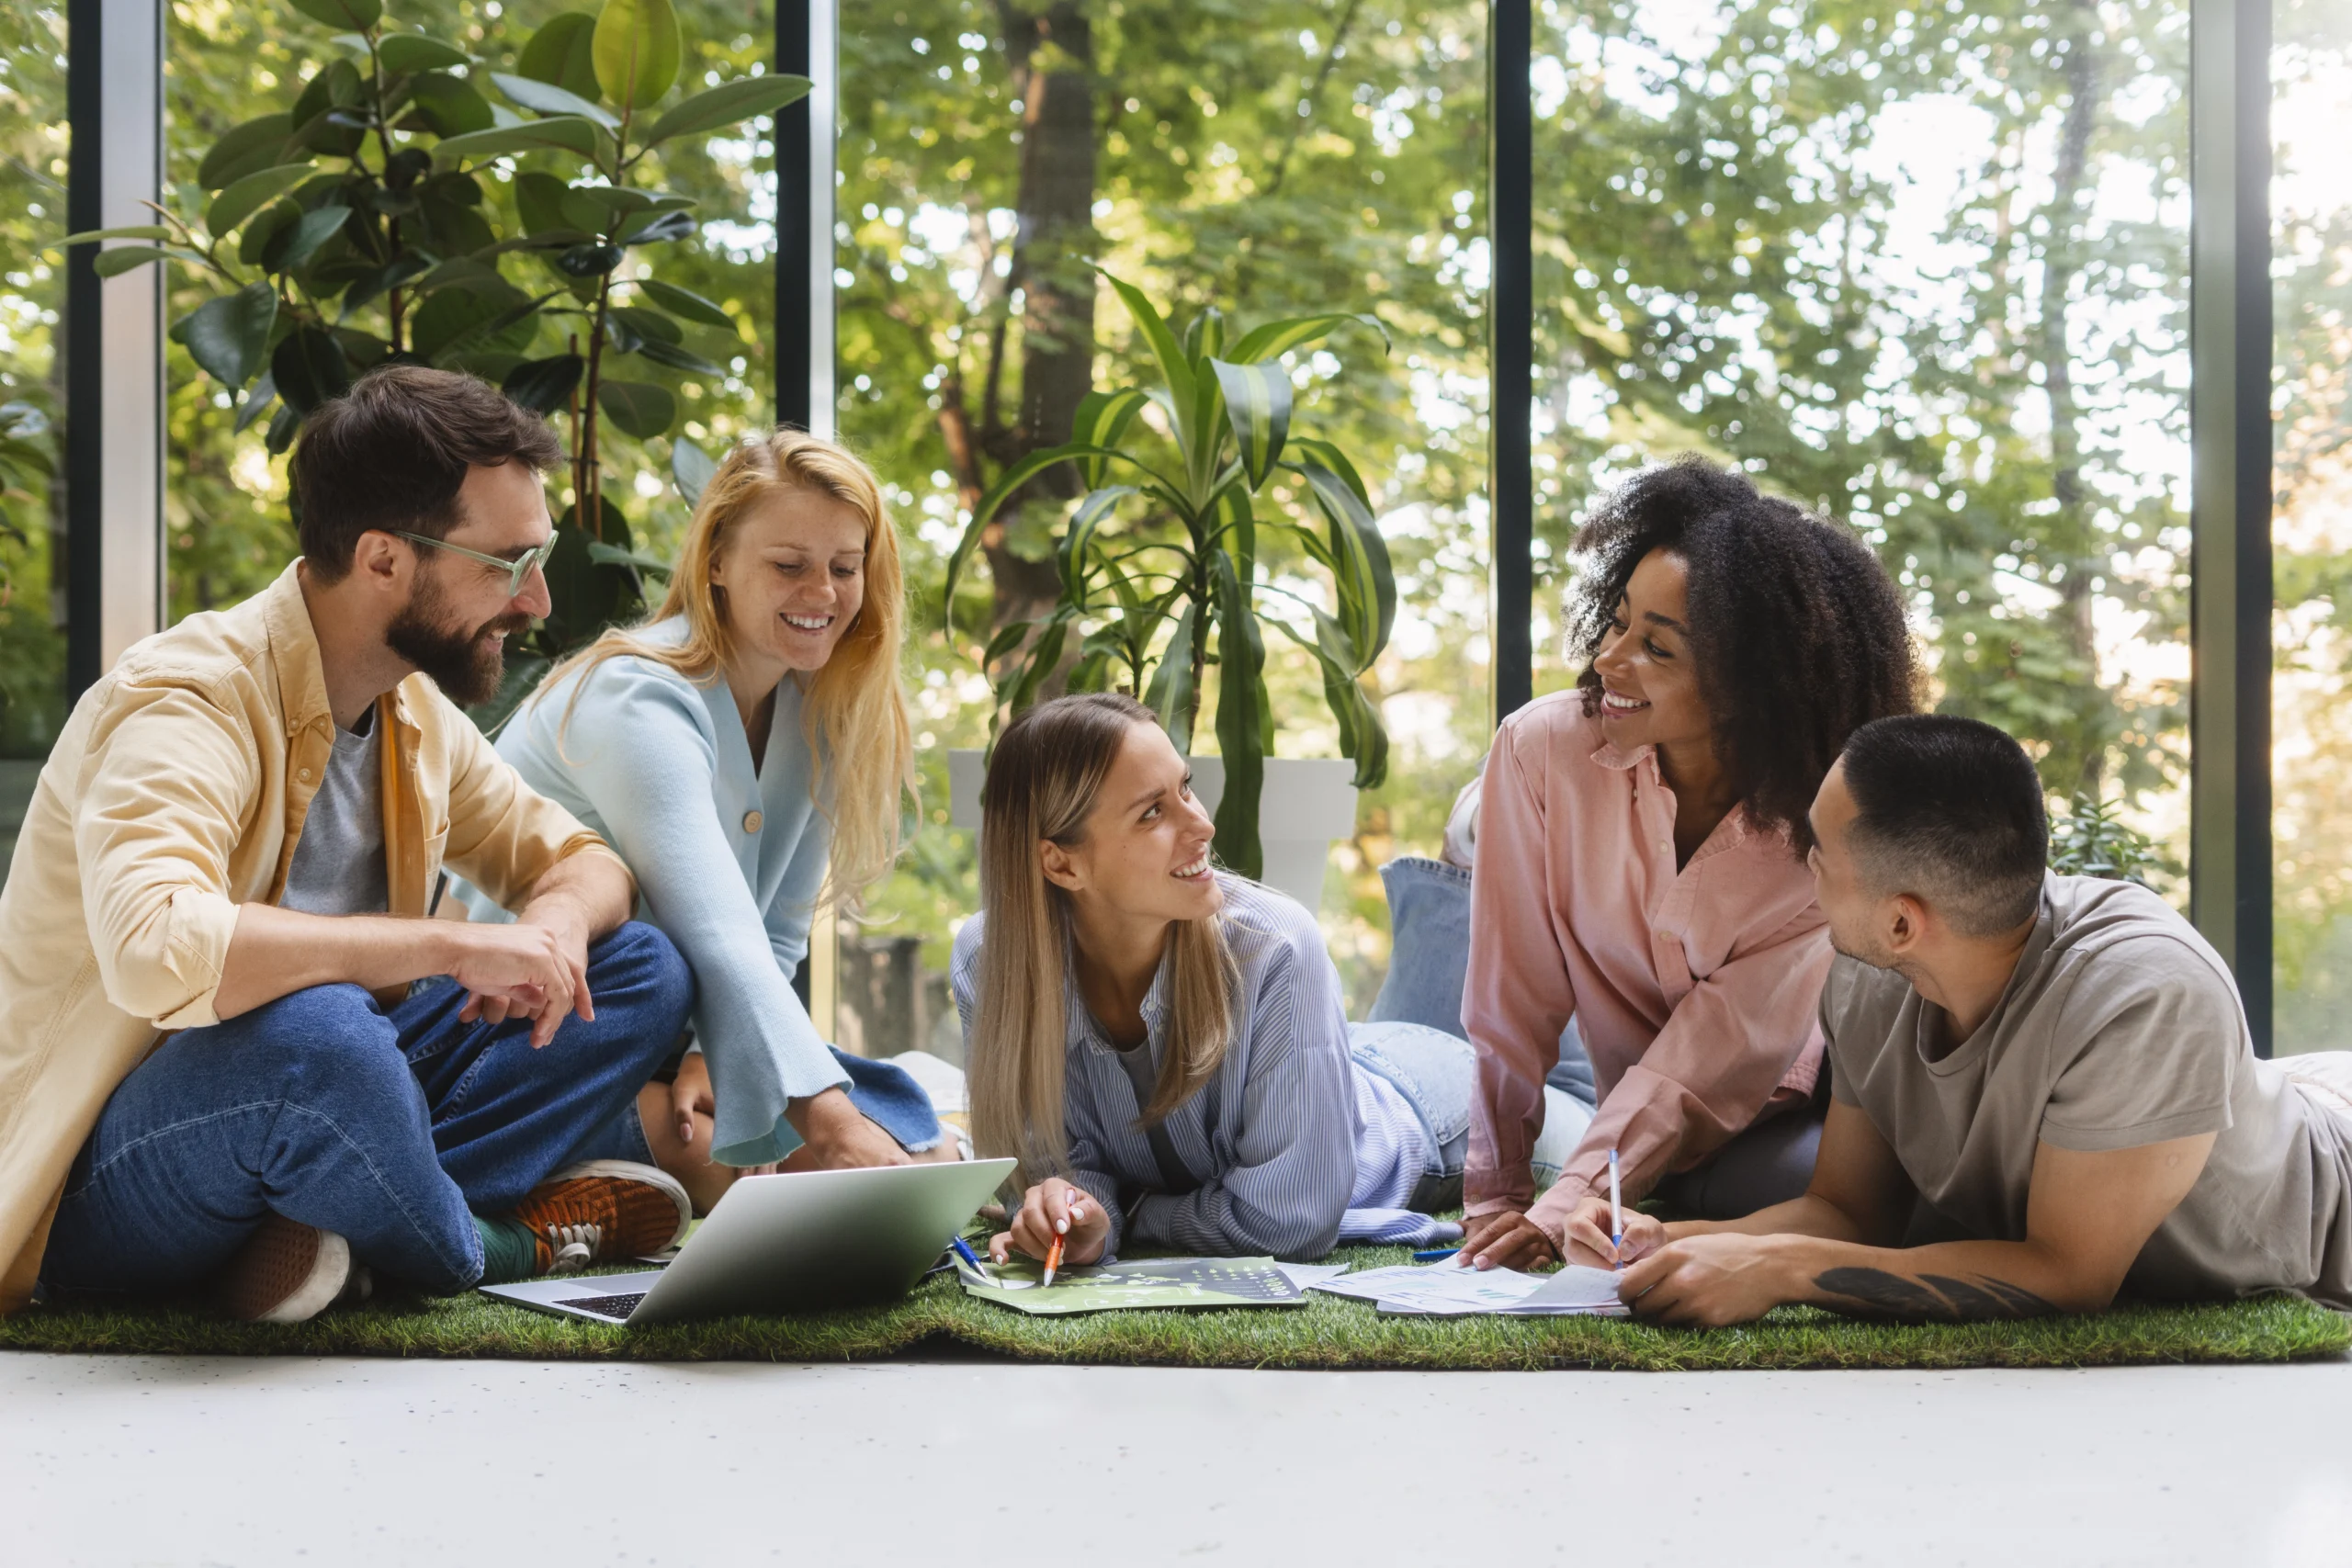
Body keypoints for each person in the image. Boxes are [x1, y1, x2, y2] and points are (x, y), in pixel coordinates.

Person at [0, 366, 696, 1324]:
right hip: (107, 1171)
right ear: (382, 560)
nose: (535, 602)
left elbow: (580, 861)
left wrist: (556, 933)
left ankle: (315, 1230)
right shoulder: (184, 698)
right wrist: (450, 947)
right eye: (507, 564)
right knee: (317, 1038)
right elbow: (158, 944)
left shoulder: (408, 707)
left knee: (636, 967)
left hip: (326, 1091)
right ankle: (500, 1243)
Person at [1576, 715, 2352, 1323]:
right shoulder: (1868, 974)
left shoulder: (2146, 996)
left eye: (1820, 855)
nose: (1800, 864)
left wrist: (1784, 1269)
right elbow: (1849, 1209)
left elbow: (2067, 1275)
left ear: (1904, 922)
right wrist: (1667, 1242)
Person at [453, 431, 951, 1213]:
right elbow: (716, 933)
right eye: (789, 565)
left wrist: (708, 1057)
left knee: (932, 1145)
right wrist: (829, 1127)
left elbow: (774, 938)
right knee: (810, 1164)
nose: (821, 591)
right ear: (716, 560)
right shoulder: (637, 694)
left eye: (845, 568)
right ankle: (546, 1173)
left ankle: (609, 1164)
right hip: (538, 1046)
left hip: (666, 1043)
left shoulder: (818, 716)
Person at [1461, 457, 1919, 1271]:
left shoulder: (1825, 834)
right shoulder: (1541, 750)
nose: (1609, 659)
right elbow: (1511, 998)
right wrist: (1496, 1198)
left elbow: (1697, 1063)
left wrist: (1564, 1206)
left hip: (1779, 1108)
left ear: (1751, 686)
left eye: (1657, 648)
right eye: (1618, 621)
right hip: (1623, 1096)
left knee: (1873, 1203)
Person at [953, 693, 1467, 1267]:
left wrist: (1134, 1209)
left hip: (1423, 1103)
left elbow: (1288, 1223)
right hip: (1328, 1057)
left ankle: (1479, 837)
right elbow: (1050, 1179)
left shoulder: (1275, 945)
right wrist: (1078, 1216)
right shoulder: (989, 963)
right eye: (1152, 812)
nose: (1203, 824)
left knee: (1565, 1094)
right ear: (1061, 864)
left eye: (1186, 788)